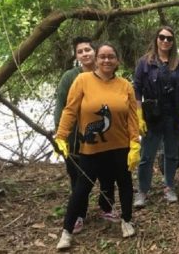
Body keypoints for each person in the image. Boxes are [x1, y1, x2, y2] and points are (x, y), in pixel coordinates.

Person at [55, 42, 140, 249]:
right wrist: (61, 136)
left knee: (125, 184)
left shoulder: (125, 85)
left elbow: (132, 117)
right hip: (91, 148)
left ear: (117, 60)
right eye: (102, 56)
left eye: (111, 56)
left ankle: (126, 220)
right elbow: (70, 110)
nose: (106, 60)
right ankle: (66, 231)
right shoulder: (82, 80)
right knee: (81, 189)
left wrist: (135, 142)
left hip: (120, 146)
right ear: (97, 59)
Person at [53, 37, 116, 234]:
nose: (85, 54)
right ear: (77, 56)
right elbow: (62, 107)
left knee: (108, 174)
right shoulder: (70, 77)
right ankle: (79, 214)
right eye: (80, 51)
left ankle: (106, 207)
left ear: (94, 52)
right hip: (76, 139)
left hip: (105, 137)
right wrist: (60, 135)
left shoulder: (107, 73)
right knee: (79, 179)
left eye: (88, 50)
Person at [133, 26, 179, 206]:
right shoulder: (145, 63)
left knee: (172, 154)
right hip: (152, 115)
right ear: (156, 39)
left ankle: (169, 186)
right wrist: (139, 113)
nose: (165, 41)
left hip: (174, 115)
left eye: (169, 39)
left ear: (173, 42)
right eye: (162, 37)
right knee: (146, 156)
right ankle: (142, 190)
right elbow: (137, 89)